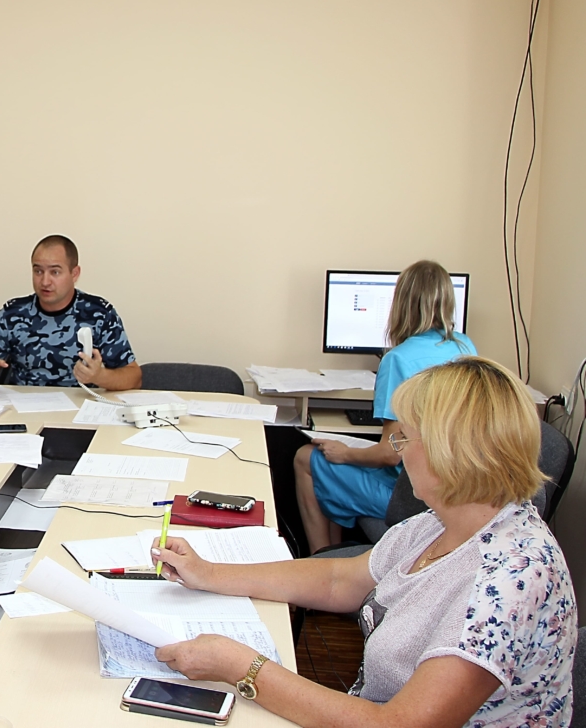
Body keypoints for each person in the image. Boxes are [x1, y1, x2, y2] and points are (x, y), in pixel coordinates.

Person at [152, 357, 575, 727]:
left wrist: (243, 668)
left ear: (450, 452)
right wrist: (209, 573)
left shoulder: (509, 579)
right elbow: (340, 580)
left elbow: (399, 724)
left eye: (405, 438)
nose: (400, 454)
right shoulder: (442, 522)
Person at [295, 260, 475, 553]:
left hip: (412, 496)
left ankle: (320, 560)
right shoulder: (466, 348)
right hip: (456, 490)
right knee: (334, 464)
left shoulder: (398, 359)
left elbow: (391, 454)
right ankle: (334, 556)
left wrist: (346, 453)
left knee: (307, 458)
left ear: (401, 304)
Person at [0, 235, 141, 390]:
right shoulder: (12, 315)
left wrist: (99, 376)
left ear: (74, 274)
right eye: (38, 271)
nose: (45, 281)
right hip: (24, 411)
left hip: (81, 411)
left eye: (55, 272)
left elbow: (134, 377)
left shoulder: (99, 314)